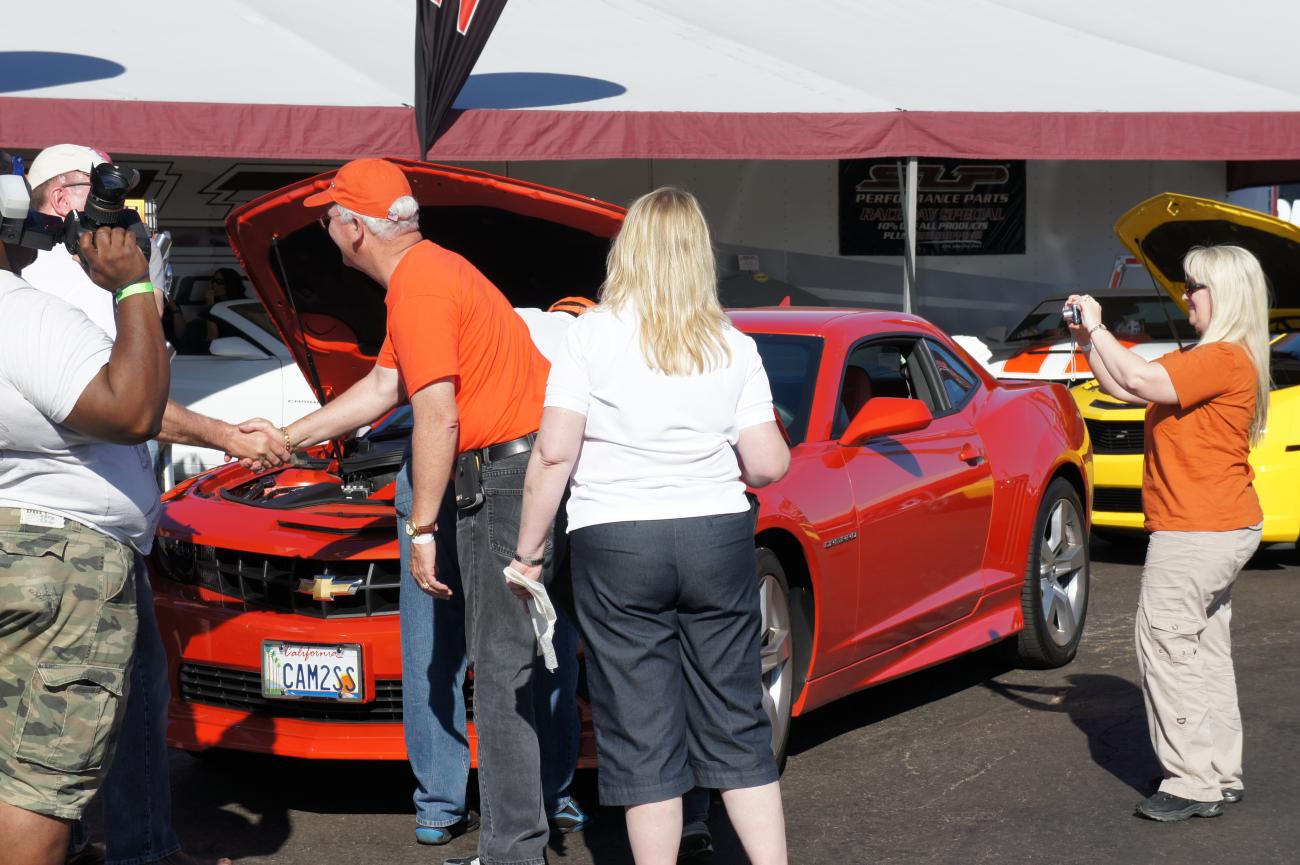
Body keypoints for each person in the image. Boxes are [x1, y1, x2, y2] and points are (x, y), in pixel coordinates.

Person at [239, 157, 570, 865]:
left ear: (355, 228)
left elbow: (438, 417)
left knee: (501, 665)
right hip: (519, 471)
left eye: (329, 218)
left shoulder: (419, 287)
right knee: (513, 658)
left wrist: (421, 528)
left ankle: (514, 849)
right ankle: (520, 836)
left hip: (502, 479)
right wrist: (288, 439)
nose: (327, 230)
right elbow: (384, 384)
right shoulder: (430, 273)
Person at [509, 187, 791, 865]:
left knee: (641, 732)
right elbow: (765, 464)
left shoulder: (588, 336)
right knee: (736, 719)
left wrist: (528, 553)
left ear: (626, 248)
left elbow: (553, 452)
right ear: (699, 255)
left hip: (617, 539)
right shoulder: (731, 343)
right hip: (715, 536)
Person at [22, 143, 278, 865]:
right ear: (59, 199)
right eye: (101, 190)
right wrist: (225, 432)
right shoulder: (59, 286)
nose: (127, 212)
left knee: (47, 719)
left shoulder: (68, 280)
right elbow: (132, 406)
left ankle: (76, 844)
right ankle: (142, 851)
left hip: (83, 529)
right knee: (129, 705)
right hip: (81, 538)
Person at [1064, 244, 1269, 823]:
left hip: (1197, 529)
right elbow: (1130, 388)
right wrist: (1088, 341)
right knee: (1201, 651)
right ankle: (1219, 773)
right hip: (1218, 523)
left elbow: (1136, 375)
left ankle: (1193, 782)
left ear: (1223, 294)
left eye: (1194, 287)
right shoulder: (1219, 357)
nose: (1185, 296)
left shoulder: (1221, 357)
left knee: (1166, 646)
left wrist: (1102, 328)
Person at [0, 204, 169, 865]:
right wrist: (131, 284)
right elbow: (132, 408)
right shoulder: (25, 313)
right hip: (60, 565)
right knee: (35, 782)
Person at [171, 268, 247, 354]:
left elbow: (212, 337)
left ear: (230, 284)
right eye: (213, 281)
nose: (214, 284)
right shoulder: (216, 304)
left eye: (219, 282)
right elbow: (184, 334)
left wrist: (210, 304)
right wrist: (175, 309)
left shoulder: (240, 307)